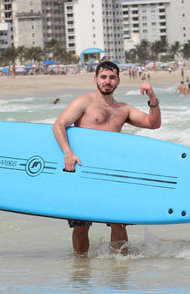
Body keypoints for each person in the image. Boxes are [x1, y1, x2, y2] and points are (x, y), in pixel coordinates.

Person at [52, 61, 161, 256]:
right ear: (95, 79)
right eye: (103, 77)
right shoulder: (83, 102)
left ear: (118, 80)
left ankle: (119, 271)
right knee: (82, 225)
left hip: (112, 172)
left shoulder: (123, 109)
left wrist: (152, 97)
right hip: (84, 171)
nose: (107, 81)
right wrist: (67, 152)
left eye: (111, 77)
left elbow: (153, 123)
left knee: (118, 222)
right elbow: (59, 125)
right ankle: (81, 267)